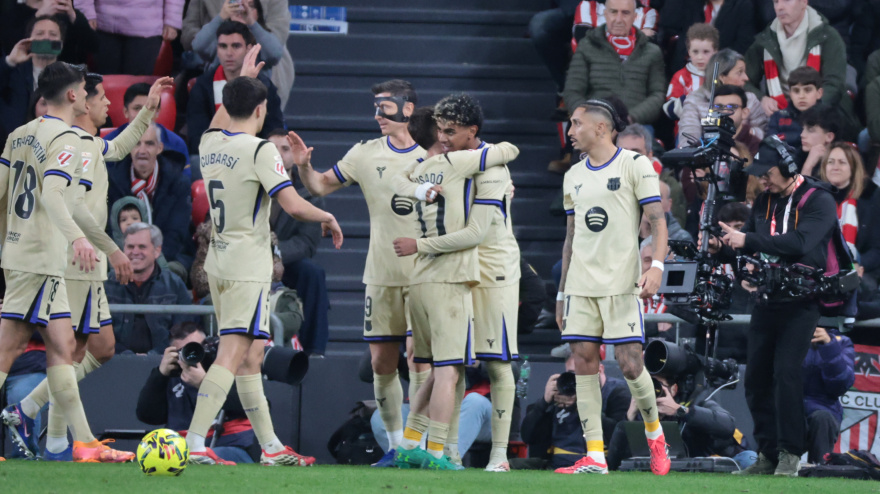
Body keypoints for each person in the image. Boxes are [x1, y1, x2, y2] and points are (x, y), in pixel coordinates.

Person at [186, 45, 341, 465]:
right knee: (233, 353)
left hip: (218, 261)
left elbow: (224, 114)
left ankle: (270, 448)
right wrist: (327, 214)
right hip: (245, 264)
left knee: (252, 355)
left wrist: (245, 81)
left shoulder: (210, 142)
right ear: (260, 110)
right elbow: (291, 205)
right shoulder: (259, 151)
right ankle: (195, 443)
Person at [7, 73, 171, 461]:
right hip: (71, 257)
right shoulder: (74, 144)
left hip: (71, 256)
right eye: (98, 98)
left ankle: (52, 436)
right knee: (76, 349)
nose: (106, 105)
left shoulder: (83, 142)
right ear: (78, 99)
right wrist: (109, 248)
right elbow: (72, 204)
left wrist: (148, 110)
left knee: (87, 348)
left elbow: (117, 147)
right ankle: (49, 428)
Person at [292, 79, 427, 466]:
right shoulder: (365, 154)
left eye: (384, 107)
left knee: (421, 360)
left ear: (407, 108)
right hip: (382, 273)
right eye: (375, 107)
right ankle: (396, 446)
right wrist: (304, 168)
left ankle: (419, 447)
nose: (377, 115)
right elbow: (319, 186)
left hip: (426, 274)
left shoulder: (434, 156)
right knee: (382, 362)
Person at [389, 106, 519, 471]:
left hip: (492, 267)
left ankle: (498, 457)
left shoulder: (490, 165)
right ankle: (446, 452)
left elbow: (478, 231)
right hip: (455, 266)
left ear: (471, 131)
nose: (442, 138)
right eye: (440, 130)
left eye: (450, 130)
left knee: (495, 362)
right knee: (453, 363)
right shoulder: (446, 164)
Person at [708, 136, 839, 476]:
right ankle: (767, 453)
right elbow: (751, 248)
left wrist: (747, 240)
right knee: (756, 378)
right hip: (767, 299)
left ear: (788, 168)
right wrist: (725, 250)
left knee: (786, 374)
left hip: (802, 301)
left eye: (767, 172)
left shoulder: (819, 200)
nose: (762, 179)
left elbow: (799, 243)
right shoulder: (765, 201)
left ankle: (790, 454)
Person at [555, 99, 671, 475]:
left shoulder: (635, 165)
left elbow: (657, 221)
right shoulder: (573, 175)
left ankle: (655, 434)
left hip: (622, 282)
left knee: (629, 364)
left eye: (576, 124)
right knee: (585, 362)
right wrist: (561, 293)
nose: (570, 132)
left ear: (601, 128)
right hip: (581, 284)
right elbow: (571, 236)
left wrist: (656, 266)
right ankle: (595, 456)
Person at [136, 322, 262, 464]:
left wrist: (205, 383)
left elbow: (256, 404)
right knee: (149, 456)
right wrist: (160, 374)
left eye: (198, 347)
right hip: (181, 448)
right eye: (185, 350)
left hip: (230, 445)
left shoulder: (228, 367)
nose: (194, 353)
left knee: (211, 456)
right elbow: (148, 416)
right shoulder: (173, 374)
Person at [743, 0, 855, 131]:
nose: (780, 7)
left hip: (822, 116)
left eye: (786, 1)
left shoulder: (828, 37)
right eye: (776, 2)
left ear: (804, 2)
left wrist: (809, 109)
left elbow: (834, 85)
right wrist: (762, 98)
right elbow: (743, 80)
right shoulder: (765, 40)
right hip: (778, 116)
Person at [607, 372, 757, 470]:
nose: (651, 392)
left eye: (656, 386)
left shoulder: (695, 402)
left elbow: (727, 425)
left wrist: (680, 411)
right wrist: (629, 417)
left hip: (716, 460)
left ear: (673, 390)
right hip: (673, 469)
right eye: (646, 386)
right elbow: (613, 464)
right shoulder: (637, 416)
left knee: (750, 459)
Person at [266, 128, 330, 356]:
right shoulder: (248, 184)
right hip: (247, 259)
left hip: (286, 264)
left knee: (312, 274)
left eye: (285, 149)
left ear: (294, 156)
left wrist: (272, 253)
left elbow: (306, 243)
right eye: (271, 149)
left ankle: (314, 351)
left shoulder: (308, 194)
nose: (278, 154)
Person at [106, 123, 193, 273]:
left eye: (149, 144)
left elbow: (176, 233)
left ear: (159, 148)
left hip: (169, 255)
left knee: (172, 271)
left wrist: (149, 263)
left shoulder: (178, 182)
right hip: (124, 258)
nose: (142, 151)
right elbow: (110, 230)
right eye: (137, 144)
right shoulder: (113, 181)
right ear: (129, 148)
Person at [561, 0, 666, 125]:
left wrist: (630, 119)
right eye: (613, 12)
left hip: (635, 126)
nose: (619, 19)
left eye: (625, 13)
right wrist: (589, 119)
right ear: (605, 14)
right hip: (592, 124)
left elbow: (658, 95)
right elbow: (572, 91)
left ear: (635, 16)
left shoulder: (652, 51)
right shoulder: (586, 46)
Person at [186, 20, 284, 151]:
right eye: (223, 46)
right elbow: (197, 137)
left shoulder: (265, 86)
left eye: (236, 46)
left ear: (248, 49)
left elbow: (272, 132)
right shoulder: (202, 86)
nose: (229, 53)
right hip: (214, 157)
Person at [520, 356, 630, 470]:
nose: (578, 380)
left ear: (600, 370)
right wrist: (543, 402)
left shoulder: (616, 393)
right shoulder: (561, 393)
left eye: (582, 374)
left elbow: (619, 437)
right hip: (558, 463)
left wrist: (583, 404)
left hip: (600, 462)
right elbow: (528, 437)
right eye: (572, 374)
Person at [182, 0, 294, 109]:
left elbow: (274, 51)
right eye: (236, 5)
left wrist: (252, 24)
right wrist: (221, 18)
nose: (241, 10)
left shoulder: (267, 82)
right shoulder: (218, 46)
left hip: (264, 72)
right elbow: (196, 43)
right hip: (215, 73)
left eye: (250, 5)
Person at [105, 223, 193, 354]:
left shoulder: (175, 285)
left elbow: (184, 332)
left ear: (157, 251)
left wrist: (152, 356)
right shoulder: (107, 284)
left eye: (142, 247)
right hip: (113, 363)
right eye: (130, 247)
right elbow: (99, 334)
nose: (135, 252)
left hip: (164, 364)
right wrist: (127, 357)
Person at [678, 49, 768, 145]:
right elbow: (688, 141)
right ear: (722, 77)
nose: (746, 78)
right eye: (739, 72)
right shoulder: (694, 101)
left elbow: (764, 135)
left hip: (746, 155)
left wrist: (744, 132)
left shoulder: (750, 100)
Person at [1, 16, 66, 142]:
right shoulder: (12, 74)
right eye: (40, 33)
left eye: (53, 34)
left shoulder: (73, 78)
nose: (46, 38)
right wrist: (10, 61)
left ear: (61, 44)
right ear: (29, 41)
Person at [76, 0, 183, 75]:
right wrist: (86, 14)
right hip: (103, 26)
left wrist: (172, 22)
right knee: (104, 83)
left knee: (137, 86)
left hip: (146, 30)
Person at [819, 142, 880, 272]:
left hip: (858, 266)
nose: (835, 167)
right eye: (831, 162)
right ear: (824, 167)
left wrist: (859, 265)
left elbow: (876, 248)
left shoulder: (870, 196)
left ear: (853, 168)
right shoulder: (814, 196)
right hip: (820, 266)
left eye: (842, 162)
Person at [104, 82, 189, 171]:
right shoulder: (109, 143)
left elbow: (183, 181)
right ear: (126, 112)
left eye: (150, 108)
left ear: (157, 112)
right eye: (137, 108)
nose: (144, 114)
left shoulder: (176, 144)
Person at [617, 123, 687, 227]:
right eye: (624, 152)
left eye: (636, 152)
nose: (629, 157)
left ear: (649, 155)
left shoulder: (669, 185)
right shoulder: (603, 182)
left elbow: (675, 230)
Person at [803, 327, 855, 463]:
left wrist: (829, 346)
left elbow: (840, 386)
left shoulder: (841, 342)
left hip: (822, 410)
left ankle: (820, 469)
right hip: (787, 406)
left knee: (822, 418)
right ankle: (770, 463)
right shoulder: (788, 334)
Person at [0, 0, 99, 67]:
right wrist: (38, 16)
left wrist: (73, 15)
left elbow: (93, 46)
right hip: (24, 77)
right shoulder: (13, 12)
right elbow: (11, 46)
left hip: (63, 75)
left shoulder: (64, 12)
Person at [664, 23, 719, 124]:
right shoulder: (681, 77)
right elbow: (669, 109)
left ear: (715, 51)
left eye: (706, 52)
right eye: (695, 52)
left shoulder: (722, 75)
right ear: (689, 52)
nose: (700, 57)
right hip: (686, 129)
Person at [766, 67, 825, 152]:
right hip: (783, 162)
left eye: (807, 90)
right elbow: (770, 145)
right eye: (796, 91)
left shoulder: (827, 117)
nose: (801, 96)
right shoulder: (777, 117)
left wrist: (786, 138)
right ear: (790, 94)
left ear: (819, 93)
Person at [713, 84, 762, 156]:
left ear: (744, 113)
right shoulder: (705, 141)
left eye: (732, 107)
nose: (725, 112)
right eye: (719, 107)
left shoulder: (756, 146)